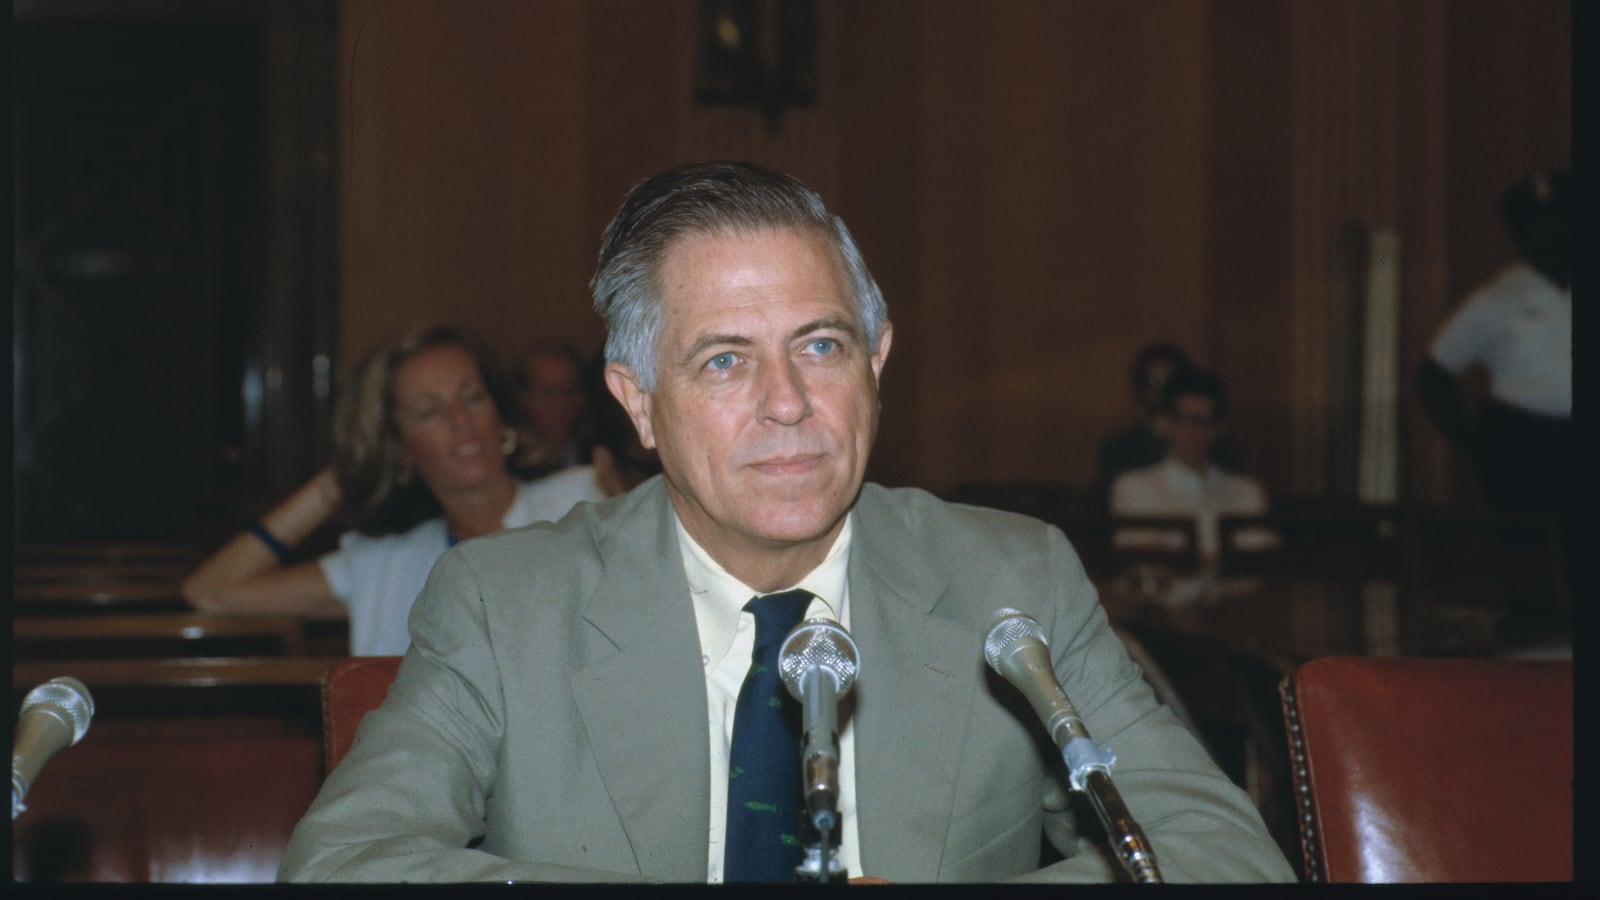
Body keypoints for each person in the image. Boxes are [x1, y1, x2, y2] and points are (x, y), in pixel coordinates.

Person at [278, 162, 1294, 883]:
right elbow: (345, 864)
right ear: (636, 404)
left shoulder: (1007, 578)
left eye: (819, 346)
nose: (787, 403)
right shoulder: (506, 606)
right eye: (723, 360)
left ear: (877, 362)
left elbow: (1218, 852)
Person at [181, 326, 607, 656]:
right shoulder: (387, 562)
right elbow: (210, 593)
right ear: (400, 447)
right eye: (430, 412)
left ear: (501, 416)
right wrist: (336, 485)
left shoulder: (588, 496)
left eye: (473, 398)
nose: (461, 420)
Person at [1109, 367, 1277, 574]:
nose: (1196, 431)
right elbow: (1141, 557)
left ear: (1219, 428)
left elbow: (1259, 560)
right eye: (1186, 419)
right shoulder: (1134, 486)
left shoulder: (1247, 491)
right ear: (1164, 423)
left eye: (1206, 421)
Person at [1096, 341, 1236, 504]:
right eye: (1155, 382)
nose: (1162, 390)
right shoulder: (1120, 449)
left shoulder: (1224, 452)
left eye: (1171, 380)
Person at [515, 340, 593, 470]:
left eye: (570, 392)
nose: (560, 405)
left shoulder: (599, 462)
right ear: (524, 398)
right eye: (547, 393)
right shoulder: (509, 465)